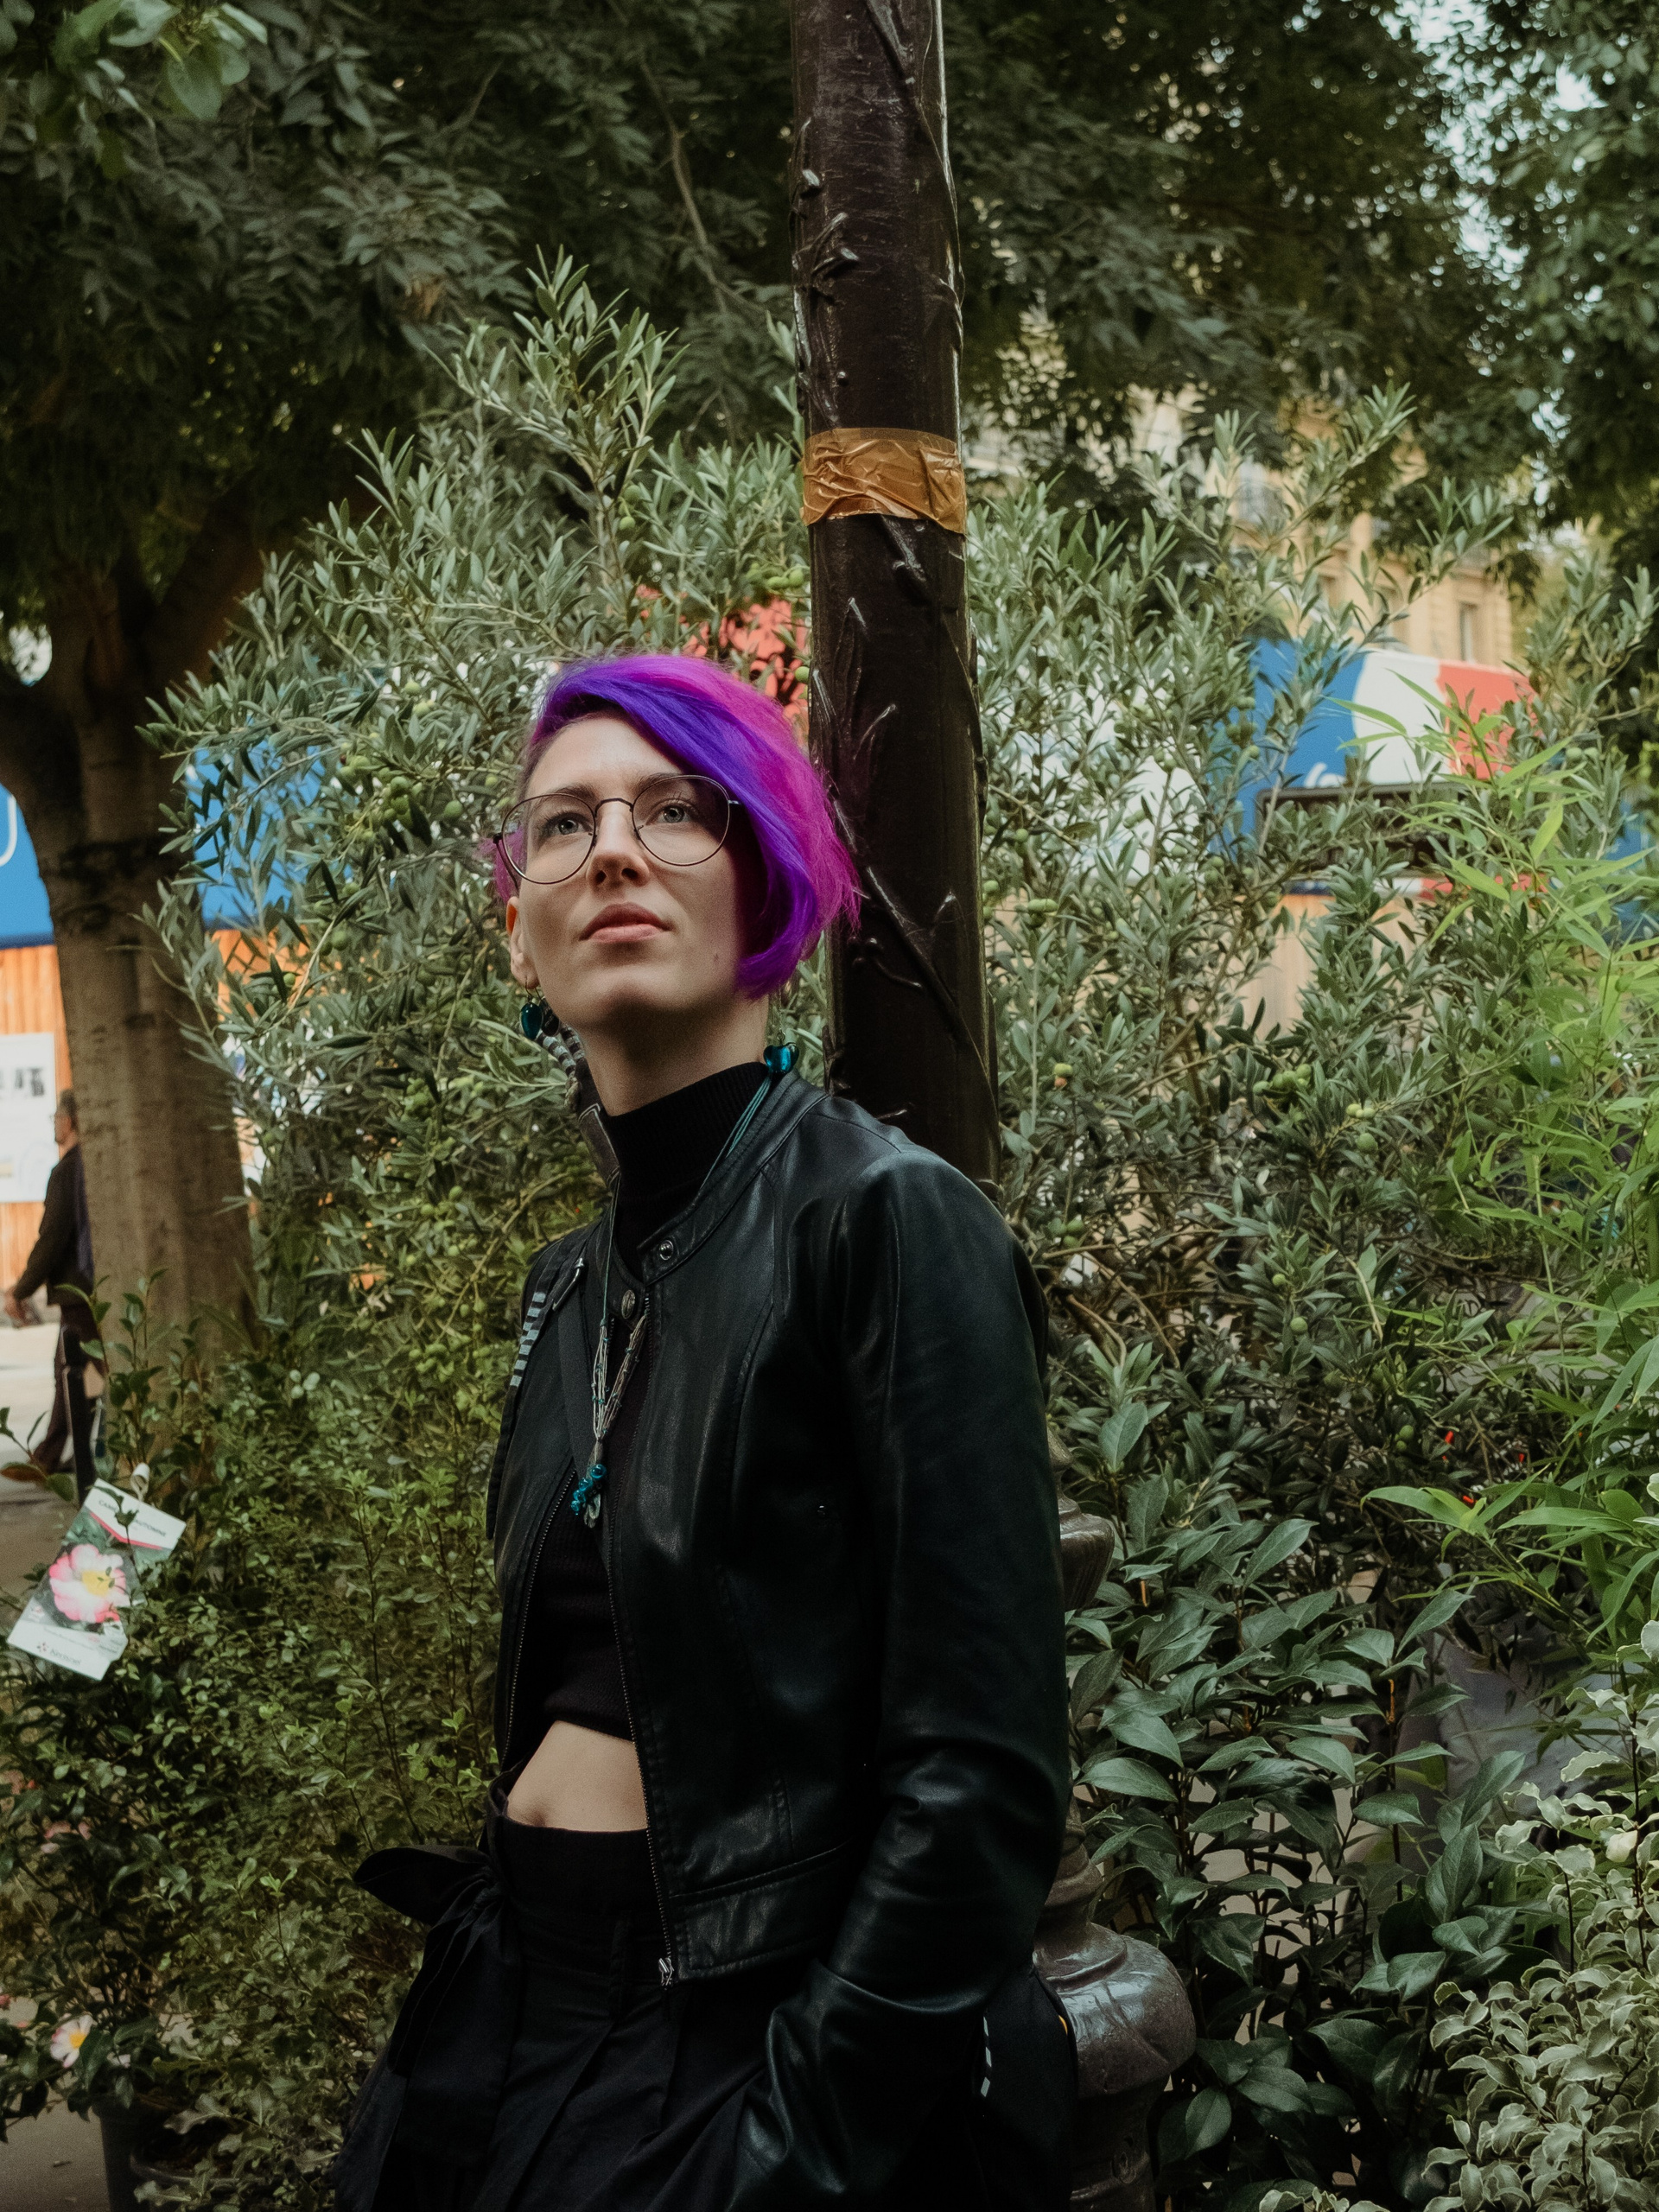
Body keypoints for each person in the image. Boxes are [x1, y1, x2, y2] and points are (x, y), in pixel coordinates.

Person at [334, 655, 1072, 2212]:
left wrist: (786, 2149)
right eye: (564, 824)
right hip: (512, 2006)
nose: (611, 849)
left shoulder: (887, 1223)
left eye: (677, 812)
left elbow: (978, 1781)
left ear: (771, 886)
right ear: (519, 931)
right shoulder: (570, 1287)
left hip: (730, 2048)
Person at [4, 1088, 99, 1495]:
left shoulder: (66, 1172)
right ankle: (52, 1456)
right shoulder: (91, 1167)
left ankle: (58, 1457)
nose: (54, 1125)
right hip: (88, 1290)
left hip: (79, 1292)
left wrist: (21, 1289)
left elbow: (52, 1238)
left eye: (56, 1118)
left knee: (78, 1371)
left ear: (69, 1121)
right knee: (74, 1371)